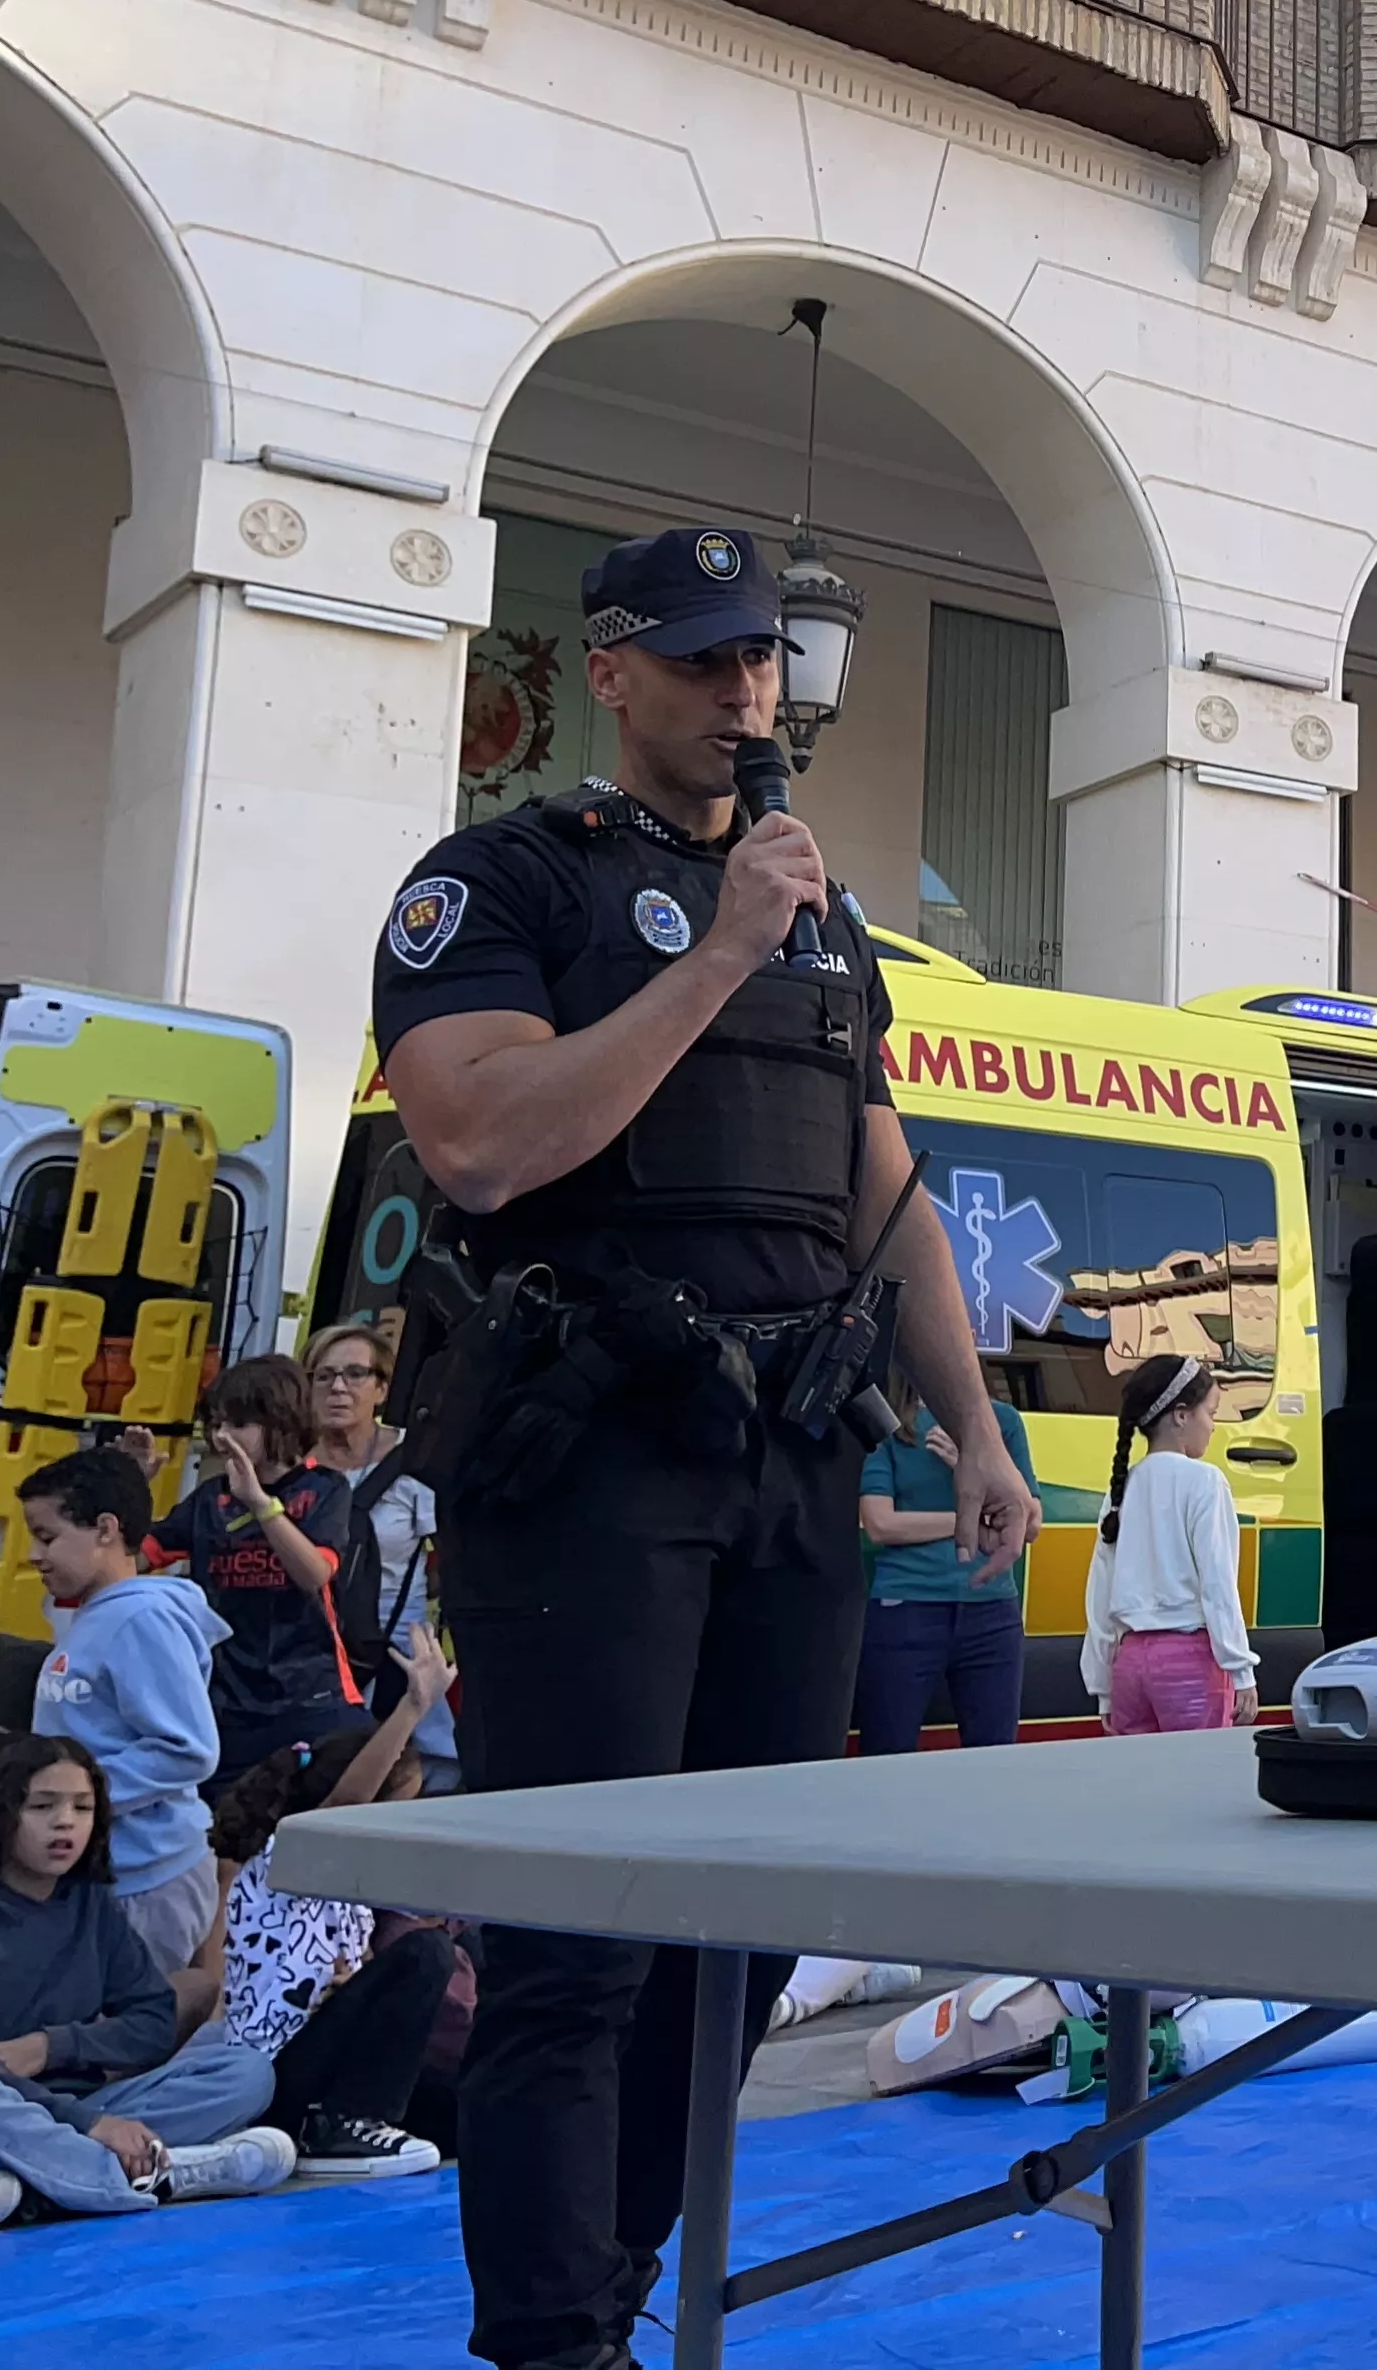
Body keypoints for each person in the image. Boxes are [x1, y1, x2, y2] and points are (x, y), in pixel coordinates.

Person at [370, 522, 1039, 2370]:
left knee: (735, 1934)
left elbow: (879, 1182)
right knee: (577, 1940)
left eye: (757, 659)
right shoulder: (502, 881)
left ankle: (611, 2283)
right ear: (608, 669)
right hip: (591, 1467)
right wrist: (716, 944)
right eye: (698, 658)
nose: (742, 691)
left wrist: (973, 1427)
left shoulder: (823, 919)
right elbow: (485, 1144)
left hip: (796, 1464)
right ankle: (552, 2340)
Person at [0, 1733, 290, 2228]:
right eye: (42, 1806)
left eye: (82, 1807)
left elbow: (154, 2019)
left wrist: (53, 2048)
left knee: (244, 2071)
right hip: (6, 2110)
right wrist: (92, 2127)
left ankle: (44, 2184)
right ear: (0, 1811)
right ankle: (156, 2176)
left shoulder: (90, 1902)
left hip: (85, 2104)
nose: (65, 1823)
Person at [206, 1627, 460, 2180]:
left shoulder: (353, 1894)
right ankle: (345, 2125)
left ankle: (350, 2121)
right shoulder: (288, 1858)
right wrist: (412, 1709)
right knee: (426, 1955)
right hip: (274, 2076)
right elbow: (344, 1804)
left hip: (320, 2055)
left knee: (465, 2107)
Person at [17, 1448, 223, 1975]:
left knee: (119, 2035)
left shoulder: (140, 1620)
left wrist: (71, 1798)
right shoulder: (97, 1617)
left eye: (47, 1537)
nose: (34, 1555)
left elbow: (188, 1749)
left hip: (146, 1876)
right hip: (106, 1873)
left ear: (106, 1529)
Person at [152, 1354, 362, 1786]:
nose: (222, 1436)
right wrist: (132, 1481)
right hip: (228, 1703)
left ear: (280, 1422)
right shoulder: (209, 1499)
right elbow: (132, 1557)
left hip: (312, 1696)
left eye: (238, 1425)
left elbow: (316, 1573)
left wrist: (259, 1502)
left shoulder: (324, 1488)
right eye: (216, 1424)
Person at [301, 1320, 455, 1787]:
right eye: (323, 1376)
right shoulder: (287, 1466)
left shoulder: (416, 1458)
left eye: (354, 1374)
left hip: (396, 1650)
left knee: (426, 1775)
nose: (338, 1388)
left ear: (382, 1388)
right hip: (310, 1652)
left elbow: (451, 1555)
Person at [856, 1379, 1043, 1754]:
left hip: (991, 1613)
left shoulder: (1002, 1421)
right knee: (885, 1757)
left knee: (996, 1758)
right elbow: (880, 1524)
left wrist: (971, 1465)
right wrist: (970, 1522)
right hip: (904, 1609)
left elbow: (1030, 1523)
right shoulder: (883, 1420)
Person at [1080, 1356, 1257, 1731]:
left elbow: (1099, 1594)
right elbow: (1218, 1587)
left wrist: (1104, 1689)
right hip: (1188, 1662)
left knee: (1140, 1782)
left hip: (1128, 1667)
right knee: (1198, 1782)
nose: (1212, 1427)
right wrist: (1241, 1671)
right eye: (1210, 1413)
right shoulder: (1205, 1482)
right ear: (1180, 1415)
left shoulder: (1119, 1491)